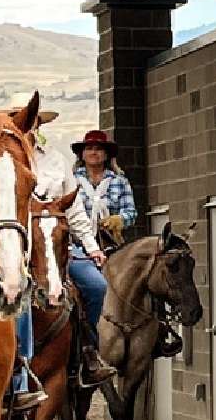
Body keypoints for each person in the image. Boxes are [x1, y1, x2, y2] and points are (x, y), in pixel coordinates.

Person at [0, 98, 116, 407]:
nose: (27, 124)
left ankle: (89, 352)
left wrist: (92, 248)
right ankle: (12, 364)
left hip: (56, 241)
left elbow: (73, 209)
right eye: (19, 118)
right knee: (13, 295)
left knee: (96, 285)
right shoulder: (2, 160)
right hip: (17, 246)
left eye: (31, 119)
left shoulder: (55, 161)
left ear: (38, 124)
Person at [70, 130, 136, 333]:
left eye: (99, 149)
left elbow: (131, 212)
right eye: (89, 148)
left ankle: (154, 329)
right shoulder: (72, 181)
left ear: (107, 155)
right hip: (77, 245)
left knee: (140, 280)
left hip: (110, 244)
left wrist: (118, 219)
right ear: (82, 154)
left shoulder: (119, 181)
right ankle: (86, 332)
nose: (94, 152)